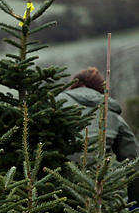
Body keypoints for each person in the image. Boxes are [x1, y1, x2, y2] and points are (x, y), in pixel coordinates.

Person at [57, 67, 138, 203]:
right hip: (99, 184)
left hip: (60, 181)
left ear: (75, 85)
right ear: (100, 89)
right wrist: (134, 201)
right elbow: (133, 158)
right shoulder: (111, 111)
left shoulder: (57, 103)